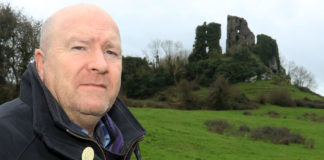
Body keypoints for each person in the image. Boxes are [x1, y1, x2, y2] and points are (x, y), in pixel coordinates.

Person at [0, 3, 145, 160]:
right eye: (79, 48)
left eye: (111, 52)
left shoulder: (119, 140)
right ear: (42, 64)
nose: (101, 64)